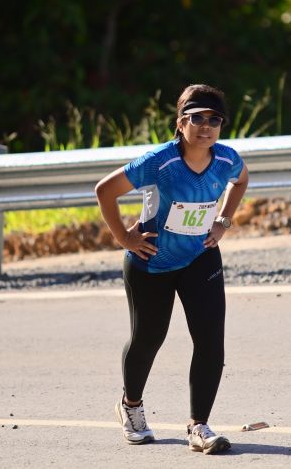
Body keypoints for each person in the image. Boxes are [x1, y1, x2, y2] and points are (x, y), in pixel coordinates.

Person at [95, 84, 249, 454]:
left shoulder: (226, 159)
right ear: (181, 123)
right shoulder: (159, 161)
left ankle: (199, 426)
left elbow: (241, 180)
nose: (206, 126)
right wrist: (124, 238)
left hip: (200, 256)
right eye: (197, 118)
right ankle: (130, 405)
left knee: (210, 341)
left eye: (214, 119)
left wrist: (223, 221)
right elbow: (105, 191)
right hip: (152, 261)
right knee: (148, 338)